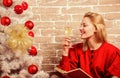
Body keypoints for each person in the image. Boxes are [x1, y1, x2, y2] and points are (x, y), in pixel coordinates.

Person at [50, 12, 120, 78]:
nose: (80, 28)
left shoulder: (112, 52)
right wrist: (65, 50)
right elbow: (65, 73)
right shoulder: (75, 49)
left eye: (84, 25)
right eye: (81, 25)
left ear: (96, 28)